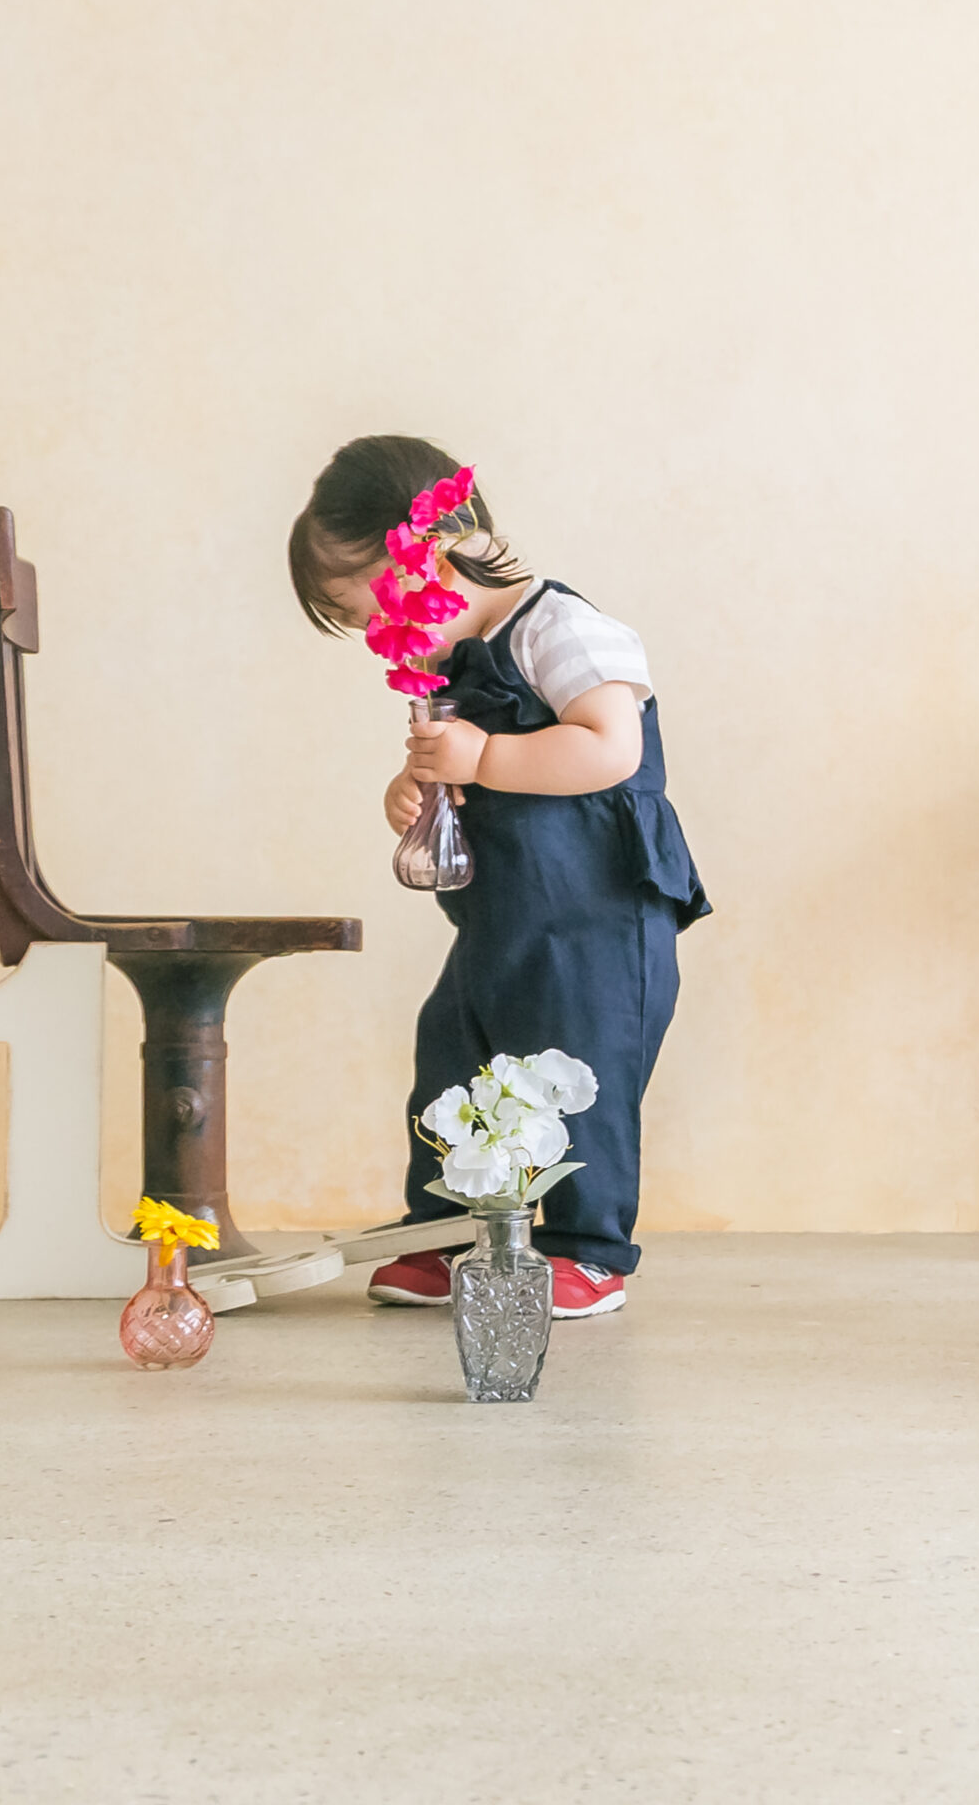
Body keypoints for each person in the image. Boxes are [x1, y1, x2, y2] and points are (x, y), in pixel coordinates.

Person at [289, 433, 710, 1318]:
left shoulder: (561, 628)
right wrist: (418, 786)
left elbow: (607, 746)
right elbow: (463, 765)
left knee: (579, 1076)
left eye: (369, 606)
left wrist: (481, 756)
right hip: (505, 921)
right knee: (457, 1060)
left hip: (597, 918)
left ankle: (589, 1249)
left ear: (431, 549)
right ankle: (444, 1232)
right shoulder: (453, 662)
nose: (376, 634)